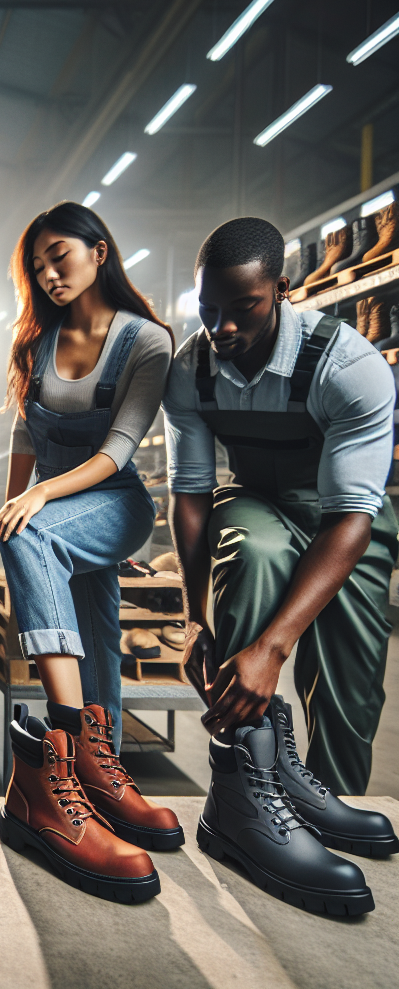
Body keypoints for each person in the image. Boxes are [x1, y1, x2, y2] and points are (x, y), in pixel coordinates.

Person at [164, 216, 395, 913]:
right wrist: (193, 617)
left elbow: (351, 516)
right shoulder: (190, 371)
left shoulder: (346, 366)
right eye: (209, 309)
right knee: (254, 549)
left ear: (282, 291)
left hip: (340, 518)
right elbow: (194, 499)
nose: (223, 327)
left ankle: (324, 809)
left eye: (244, 309)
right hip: (253, 500)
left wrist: (275, 644)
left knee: (350, 694)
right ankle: (244, 799)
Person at [0, 201, 182, 900]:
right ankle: (103, 772)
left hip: (115, 501)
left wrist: (36, 504)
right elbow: (23, 440)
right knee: (95, 630)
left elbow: (117, 452)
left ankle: (63, 756)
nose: (47, 274)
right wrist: (13, 508)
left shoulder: (146, 342)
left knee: (35, 528)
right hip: (55, 513)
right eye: (36, 266)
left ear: (99, 251)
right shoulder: (34, 345)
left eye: (59, 257)